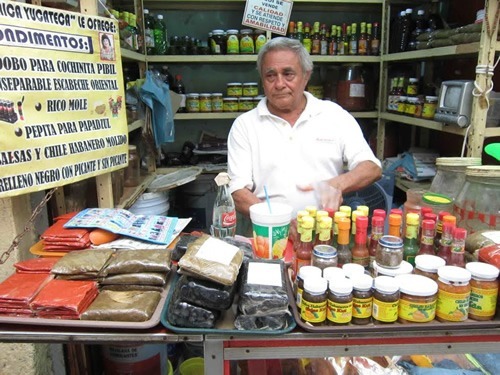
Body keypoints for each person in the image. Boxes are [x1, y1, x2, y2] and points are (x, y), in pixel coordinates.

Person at [227, 37, 382, 222]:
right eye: (270, 75)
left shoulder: (333, 115)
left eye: (288, 74)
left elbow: (371, 168)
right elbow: (238, 192)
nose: (279, 84)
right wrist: (279, 222)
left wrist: (337, 184)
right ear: (262, 78)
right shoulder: (245, 125)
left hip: (325, 231)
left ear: (306, 76)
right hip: (269, 233)